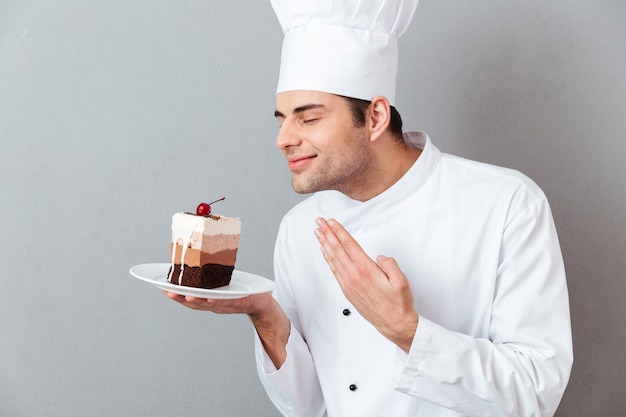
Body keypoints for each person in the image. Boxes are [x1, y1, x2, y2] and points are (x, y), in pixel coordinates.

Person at [165, 1, 573, 416]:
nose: (283, 138)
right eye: (281, 119)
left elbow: (536, 393)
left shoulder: (506, 203)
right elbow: (307, 408)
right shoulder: (300, 227)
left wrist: (407, 331)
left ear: (375, 116)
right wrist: (262, 312)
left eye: (307, 119)